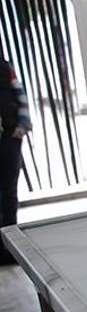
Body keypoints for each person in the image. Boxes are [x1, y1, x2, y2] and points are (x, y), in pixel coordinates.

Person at [0, 58, 31, 228]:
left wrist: (22, 126)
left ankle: (11, 238)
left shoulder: (4, 66)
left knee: (9, 189)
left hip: (10, 134)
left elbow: (20, 95)